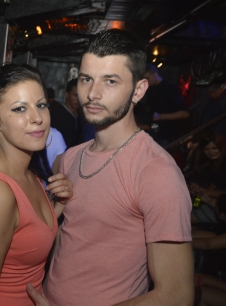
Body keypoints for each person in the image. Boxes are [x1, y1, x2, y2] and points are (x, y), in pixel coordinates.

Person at [30, 29, 194, 305]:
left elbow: (176, 295)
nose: (93, 93)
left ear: (138, 90)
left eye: (110, 81)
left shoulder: (156, 172)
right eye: (86, 79)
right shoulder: (69, 159)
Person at [0, 64, 73, 305]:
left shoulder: (29, 175)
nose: (37, 118)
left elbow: (22, 237)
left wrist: (56, 207)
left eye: (41, 105)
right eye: (20, 109)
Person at [143, 63, 190, 146]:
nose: (146, 82)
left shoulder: (170, 89)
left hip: (166, 136)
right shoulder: (150, 91)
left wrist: (161, 116)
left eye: (147, 78)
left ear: (154, 74)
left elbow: (185, 113)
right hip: (153, 134)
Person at [49, 78, 82, 148]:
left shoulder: (81, 116)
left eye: (80, 96)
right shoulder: (56, 115)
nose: (78, 99)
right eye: (75, 95)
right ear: (67, 94)